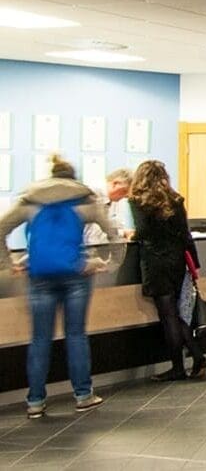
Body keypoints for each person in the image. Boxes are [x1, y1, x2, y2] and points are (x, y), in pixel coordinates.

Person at [0, 155, 118, 418]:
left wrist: (10, 264)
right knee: (75, 335)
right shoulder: (85, 200)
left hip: (39, 276)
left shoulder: (29, 200)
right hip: (76, 274)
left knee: (40, 339)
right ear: (71, 177)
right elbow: (112, 233)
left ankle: (35, 401)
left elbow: (1, 229)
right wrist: (110, 264)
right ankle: (83, 395)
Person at [129, 160, 206, 381]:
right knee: (175, 312)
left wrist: (132, 236)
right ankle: (197, 356)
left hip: (155, 263)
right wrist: (195, 265)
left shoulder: (138, 201)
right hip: (176, 261)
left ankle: (179, 367)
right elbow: (186, 235)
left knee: (168, 315)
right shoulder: (175, 200)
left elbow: (143, 231)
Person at [83, 168, 134, 244]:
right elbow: (94, 233)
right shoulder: (93, 193)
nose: (126, 196)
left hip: (103, 247)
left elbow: (113, 226)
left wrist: (124, 233)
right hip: (88, 247)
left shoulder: (115, 200)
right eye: (125, 191)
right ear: (115, 183)